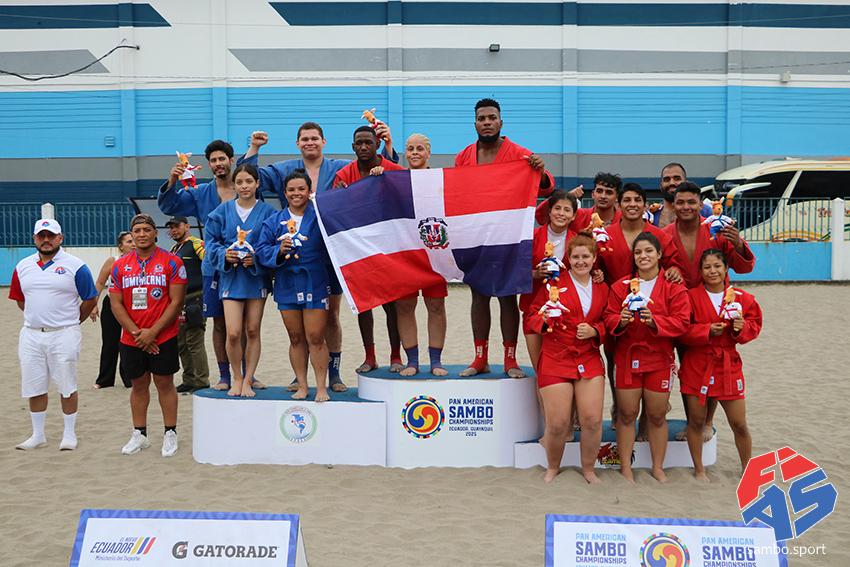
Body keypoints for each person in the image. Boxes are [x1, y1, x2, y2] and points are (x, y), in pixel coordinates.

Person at [238, 122, 399, 391]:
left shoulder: (340, 167)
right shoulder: (285, 169)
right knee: (298, 323)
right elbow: (252, 177)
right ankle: (300, 375)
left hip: (331, 251)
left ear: (324, 141)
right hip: (295, 255)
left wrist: (388, 146)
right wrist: (254, 148)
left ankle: (333, 372)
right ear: (297, 143)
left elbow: (375, 167)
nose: (310, 142)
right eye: (305, 139)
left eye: (314, 138)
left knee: (331, 314)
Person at [455, 98, 555, 378]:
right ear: (475, 123)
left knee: (507, 296)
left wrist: (540, 170)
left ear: (501, 121)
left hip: (508, 235)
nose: (487, 122)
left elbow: (546, 188)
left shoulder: (520, 154)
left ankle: (510, 359)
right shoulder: (463, 156)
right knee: (479, 295)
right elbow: (457, 192)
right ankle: (480, 357)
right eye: (482, 118)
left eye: (491, 118)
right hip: (475, 234)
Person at [158, 139, 263, 391]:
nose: (218, 164)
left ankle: (247, 375)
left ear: (231, 160)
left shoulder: (245, 188)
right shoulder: (201, 193)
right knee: (220, 323)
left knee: (248, 325)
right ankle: (225, 375)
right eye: (213, 160)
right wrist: (172, 180)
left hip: (246, 266)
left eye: (222, 159)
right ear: (209, 165)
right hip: (215, 264)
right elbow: (169, 206)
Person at [593, 183, 682, 425]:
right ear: (618, 205)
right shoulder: (605, 235)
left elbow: (673, 262)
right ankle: (619, 406)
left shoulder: (659, 236)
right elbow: (593, 263)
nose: (632, 204)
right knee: (614, 359)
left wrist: (674, 270)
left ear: (645, 205)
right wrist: (596, 273)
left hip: (652, 310)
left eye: (637, 200)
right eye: (627, 200)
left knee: (656, 360)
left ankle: (647, 418)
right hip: (615, 307)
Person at [604, 232, 690, 483]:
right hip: (627, 358)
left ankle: (658, 467)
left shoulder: (673, 287)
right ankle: (626, 467)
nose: (643, 256)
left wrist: (656, 322)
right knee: (627, 414)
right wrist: (620, 321)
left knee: (657, 415)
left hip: (659, 358)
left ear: (660, 254)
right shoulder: (621, 286)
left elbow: (682, 322)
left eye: (649, 251)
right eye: (638, 252)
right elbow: (608, 316)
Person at [9, 219, 98, 451]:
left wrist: (72, 321)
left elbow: (90, 298)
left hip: (64, 334)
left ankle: (69, 433)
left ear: (61, 238)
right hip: (31, 334)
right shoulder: (23, 266)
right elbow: (20, 300)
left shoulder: (76, 266)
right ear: (34, 238)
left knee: (67, 384)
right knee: (34, 385)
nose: (46, 240)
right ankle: (38, 434)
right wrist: (38, 317)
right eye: (41, 236)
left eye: (51, 236)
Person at [527, 233, 607, 484]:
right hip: (556, 356)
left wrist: (596, 331)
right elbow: (531, 316)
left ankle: (589, 470)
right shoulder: (553, 284)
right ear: (567, 259)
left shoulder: (603, 287)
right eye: (575, 257)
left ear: (594, 258)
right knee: (558, 423)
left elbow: (611, 319)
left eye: (586, 256)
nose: (581, 261)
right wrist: (544, 321)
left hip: (588, 357)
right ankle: (552, 467)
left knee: (592, 420)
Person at [370, 133, 449, 376]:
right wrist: (378, 176)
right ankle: (412, 361)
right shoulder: (396, 179)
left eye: (420, 149)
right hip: (405, 252)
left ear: (429, 152)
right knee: (405, 306)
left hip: (434, 251)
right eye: (411, 149)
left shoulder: (441, 179)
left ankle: (435, 361)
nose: (415, 153)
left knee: (436, 305)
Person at [679, 250, 762, 481]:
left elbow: (754, 325)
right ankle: (699, 470)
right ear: (700, 271)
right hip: (697, 363)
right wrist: (705, 330)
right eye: (707, 267)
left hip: (728, 365)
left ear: (726, 269)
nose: (712, 271)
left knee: (739, 423)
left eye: (717, 266)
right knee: (696, 421)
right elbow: (681, 328)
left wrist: (741, 328)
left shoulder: (743, 298)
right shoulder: (689, 296)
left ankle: (747, 468)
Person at [109, 214, 187, 457]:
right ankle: (139, 434)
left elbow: (176, 302)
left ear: (155, 233)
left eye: (146, 229)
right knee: (138, 385)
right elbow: (116, 304)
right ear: (131, 235)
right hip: (132, 338)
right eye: (137, 230)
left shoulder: (172, 262)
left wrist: (153, 333)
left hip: (163, 336)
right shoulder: (120, 265)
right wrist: (138, 334)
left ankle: (170, 432)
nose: (142, 234)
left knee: (165, 384)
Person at [335, 125, 406, 373]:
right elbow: (336, 209)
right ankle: (370, 356)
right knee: (364, 305)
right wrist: (342, 196)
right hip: (357, 249)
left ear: (378, 144)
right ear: (353, 146)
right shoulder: (344, 174)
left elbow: (407, 197)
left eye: (368, 142)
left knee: (392, 305)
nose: (364, 147)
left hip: (388, 248)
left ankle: (396, 356)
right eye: (359, 143)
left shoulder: (393, 170)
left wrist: (385, 182)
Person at [256, 170, 332, 401]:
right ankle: (302, 384)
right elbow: (261, 249)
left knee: (316, 336)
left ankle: (321, 387)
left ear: (310, 191)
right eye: (291, 189)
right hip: (287, 283)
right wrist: (278, 251)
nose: (296, 193)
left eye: (301, 189)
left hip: (315, 281)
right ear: (284, 192)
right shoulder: (273, 221)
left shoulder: (321, 217)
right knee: (296, 337)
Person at [204, 165, 275, 398]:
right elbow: (210, 243)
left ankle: (248, 378)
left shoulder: (268, 213)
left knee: (253, 329)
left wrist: (258, 259)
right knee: (233, 332)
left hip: (256, 278)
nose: (244, 186)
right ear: (234, 185)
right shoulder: (221, 212)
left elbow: (272, 244)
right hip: (231, 278)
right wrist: (224, 254)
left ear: (257, 184)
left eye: (249, 181)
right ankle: (235, 376)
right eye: (240, 182)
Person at [520, 190, 578, 372]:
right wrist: (533, 274)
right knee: (541, 369)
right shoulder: (531, 237)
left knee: (562, 369)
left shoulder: (578, 241)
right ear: (549, 211)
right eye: (557, 208)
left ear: (573, 216)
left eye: (567, 210)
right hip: (534, 308)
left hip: (566, 311)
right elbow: (515, 270)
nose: (561, 213)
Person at [167, 216, 210, 393]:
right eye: (171, 227)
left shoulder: (196, 244)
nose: (174, 230)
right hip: (179, 302)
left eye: (177, 226)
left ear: (187, 226)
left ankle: (201, 381)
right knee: (182, 343)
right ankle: (189, 379)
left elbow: (209, 262)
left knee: (194, 341)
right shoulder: (174, 249)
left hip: (196, 298)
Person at [92, 231, 135, 389]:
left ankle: (130, 378)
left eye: (134, 241)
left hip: (133, 307)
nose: (133, 244)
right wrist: (93, 305)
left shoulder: (141, 261)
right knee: (110, 342)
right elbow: (100, 283)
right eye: (129, 241)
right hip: (112, 305)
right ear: (120, 246)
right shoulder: (113, 261)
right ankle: (105, 380)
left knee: (130, 342)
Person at [535, 172, 621, 229]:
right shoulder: (578, 216)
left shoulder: (624, 219)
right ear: (593, 194)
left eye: (609, 192)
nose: (603, 196)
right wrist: (567, 196)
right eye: (599, 191)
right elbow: (541, 216)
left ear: (617, 197)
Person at [652, 163, 711, 228]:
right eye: (667, 179)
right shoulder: (652, 214)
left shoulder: (706, 212)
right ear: (661, 185)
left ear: (685, 182)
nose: (671, 183)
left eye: (677, 178)